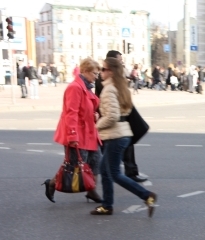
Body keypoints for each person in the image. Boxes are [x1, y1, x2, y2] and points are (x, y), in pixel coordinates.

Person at [91, 57, 157, 217]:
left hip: (116, 135)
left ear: (111, 71)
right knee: (104, 170)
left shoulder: (109, 90)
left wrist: (95, 126)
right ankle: (107, 205)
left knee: (114, 174)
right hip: (120, 134)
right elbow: (125, 112)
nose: (101, 72)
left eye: (103, 69)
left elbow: (112, 116)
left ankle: (146, 195)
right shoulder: (120, 87)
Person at [42, 57, 102, 204]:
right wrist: (72, 135)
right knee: (74, 165)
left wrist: (95, 115)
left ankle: (91, 190)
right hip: (78, 133)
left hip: (89, 132)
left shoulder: (86, 86)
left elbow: (88, 108)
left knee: (95, 162)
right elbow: (71, 113)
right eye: (94, 73)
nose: (97, 77)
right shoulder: (75, 87)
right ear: (86, 71)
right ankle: (52, 184)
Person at [96, 50, 146, 183]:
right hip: (113, 124)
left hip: (117, 125)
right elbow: (106, 105)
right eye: (119, 59)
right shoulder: (106, 83)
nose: (121, 61)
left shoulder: (118, 81)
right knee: (109, 168)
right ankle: (141, 190)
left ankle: (131, 175)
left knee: (110, 169)